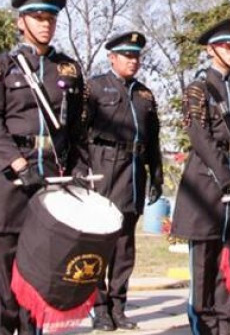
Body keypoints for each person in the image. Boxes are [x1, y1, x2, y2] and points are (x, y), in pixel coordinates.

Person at [0, 0, 89, 335]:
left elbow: (78, 124)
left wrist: (80, 166)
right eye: (38, 17)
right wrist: (18, 163)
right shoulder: (1, 67)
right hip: (9, 183)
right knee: (4, 279)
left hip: (51, 179)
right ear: (20, 22)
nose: (45, 24)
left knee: (40, 273)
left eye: (51, 18)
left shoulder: (68, 69)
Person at [170, 18, 230, 335]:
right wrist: (226, 176)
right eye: (227, 45)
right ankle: (202, 328)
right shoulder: (199, 88)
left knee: (228, 260)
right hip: (206, 182)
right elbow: (199, 136)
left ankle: (224, 326)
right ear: (211, 49)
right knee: (203, 263)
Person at [84, 31, 163, 331]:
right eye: (127, 56)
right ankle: (99, 307)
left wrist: (156, 172)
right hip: (103, 165)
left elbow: (153, 138)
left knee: (124, 246)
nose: (133, 61)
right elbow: (80, 132)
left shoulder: (145, 95)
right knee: (101, 242)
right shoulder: (94, 88)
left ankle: (119, 306)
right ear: (112, 57)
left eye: (136, 56)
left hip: (133, 170)